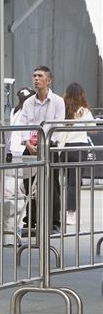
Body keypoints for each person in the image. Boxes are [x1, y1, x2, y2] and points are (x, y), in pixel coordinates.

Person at [16, 65, 65, 234]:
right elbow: (23, 124)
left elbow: (59, 126)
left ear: (49, 80)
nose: (36, 79)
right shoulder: (28, 102)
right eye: (34, 76)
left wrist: (46, 143)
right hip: (30, 148)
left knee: (52, 186)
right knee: (29, 186)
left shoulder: (58, 101)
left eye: (40, 76)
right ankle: (30, 222)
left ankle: (53, 223)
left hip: (49, 148)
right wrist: (27, 143)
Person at [58, 83, 95, 226]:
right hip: (79, 148)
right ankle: (71, 214)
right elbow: (92, 128)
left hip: (64, 149)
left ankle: (62, 213)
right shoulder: (83, 110)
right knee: (74, 183)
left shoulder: (63, 109)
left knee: (65, 182)